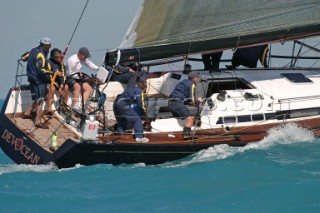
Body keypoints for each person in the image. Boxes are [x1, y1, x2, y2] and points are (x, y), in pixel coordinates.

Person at [22, 37, 57, 128]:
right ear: (46, 45)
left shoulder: (33, 50)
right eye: (49, 44)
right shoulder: (41, 54)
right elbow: (41, 70)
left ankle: (27, 112)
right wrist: (52, 72)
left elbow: (23, 58)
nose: (50, 46)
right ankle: (38, 122)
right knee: (40, 101)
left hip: (31, 78)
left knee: (38, 99)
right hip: (38, 80)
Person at [168, 71, 203, 139]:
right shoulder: (191, 84)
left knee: (183, 118)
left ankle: (178, 134)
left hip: (170, 102)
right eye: (197, 78)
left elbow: (185, 98)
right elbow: (191, 99)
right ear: (194, 78)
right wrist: (198, 102)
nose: (198, 79)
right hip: (177, 103)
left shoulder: (183, 82)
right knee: (190, 119)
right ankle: (186, 136)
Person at [47, 48, 68, 114]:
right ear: (54, 57)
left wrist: (62, 83)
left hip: (58, 81)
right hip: (49, 81)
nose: (61, 59)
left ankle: (64, 106)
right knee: (52, 89)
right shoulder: (48, 63)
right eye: (60, 57)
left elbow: (64, 74)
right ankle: (49, 108)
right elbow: (49, 77)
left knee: (66, 87)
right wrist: (59, 89)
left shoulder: (61, 63)